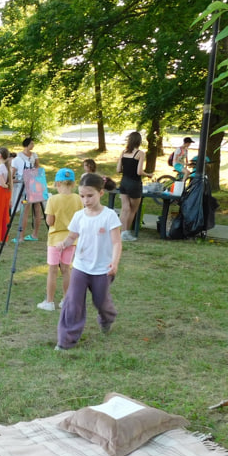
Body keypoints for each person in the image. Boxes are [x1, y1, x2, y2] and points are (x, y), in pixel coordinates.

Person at [55, 173, 122, 351]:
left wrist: (114, 263)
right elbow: (72, 236)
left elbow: (116, 242)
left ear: (101, 193)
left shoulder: (109, 216)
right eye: (82, 196)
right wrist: (64, 243)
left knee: (101, 302)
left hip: (102, 269)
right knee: (73, 302)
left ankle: (107, 318)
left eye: (90, 196)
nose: (86, 200)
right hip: (81, 267)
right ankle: (65, 341)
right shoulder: (79, 216)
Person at [38, 168, 81, 311]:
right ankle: (66, 299)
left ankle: (49, 301)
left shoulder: (53, 199)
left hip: (55, 239)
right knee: (66, 269)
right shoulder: (78, 199)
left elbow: (49, 221)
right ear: (73, 184)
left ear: (57, 184)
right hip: (71, 239)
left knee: (52, 270)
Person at [11, 137, 43, 242]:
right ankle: (23, 235)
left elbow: (37, 168)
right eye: (31, 143)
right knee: (27, 208)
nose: (33, 145)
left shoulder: (34, 155)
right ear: (26, 145)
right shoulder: (19, 156)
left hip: (33, 181)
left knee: (34, 208)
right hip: (31, 181)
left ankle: (31, 235)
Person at [116, 132, 146, 242]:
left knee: (125, 209)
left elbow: (118, 170)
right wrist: (148, 174)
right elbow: (139, 172)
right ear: (139, 141)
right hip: (134, 183)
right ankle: (126, 233)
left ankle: (121, 232)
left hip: (123, 182)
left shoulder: (123, 153)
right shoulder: (140, 153)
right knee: (133, 210)